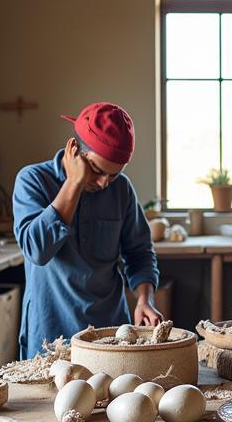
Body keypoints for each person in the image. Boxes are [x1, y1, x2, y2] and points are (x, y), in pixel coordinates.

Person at [13, 102, 162, 359]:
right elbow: (37, 250)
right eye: (96, 170)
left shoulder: (121, 190)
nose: (105, 184)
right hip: (50, 337)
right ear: (74, 150)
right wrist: (75, 183)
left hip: (110, 334)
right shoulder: (33, 181)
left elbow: (139, 253)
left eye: (113, 175)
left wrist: (144, 299)